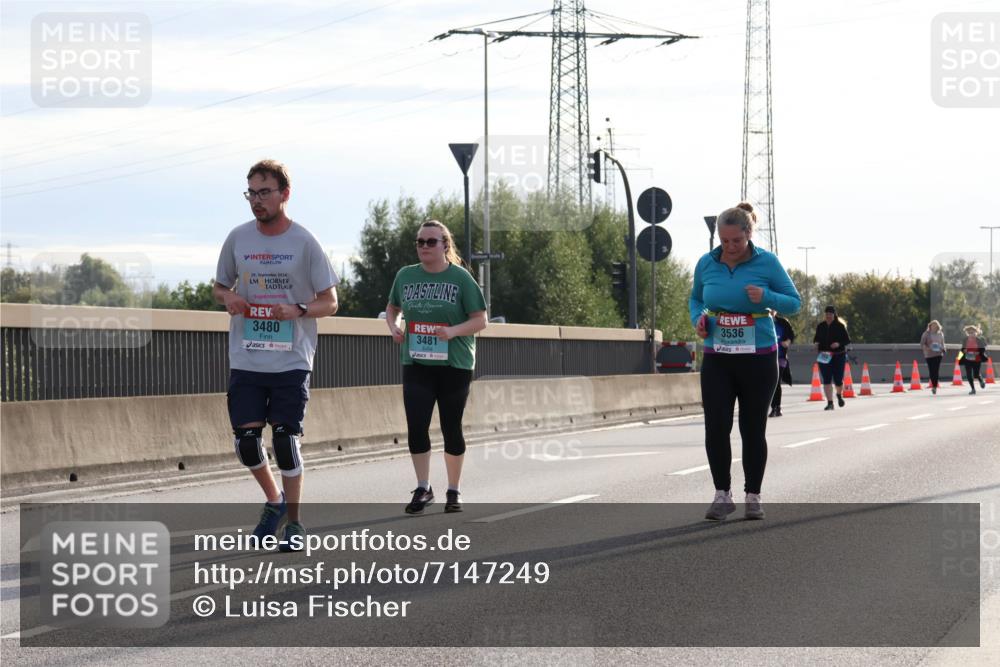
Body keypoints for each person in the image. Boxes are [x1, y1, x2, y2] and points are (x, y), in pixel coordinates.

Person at [214, 159, 338, 551]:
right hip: (247, 356)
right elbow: (219, 287)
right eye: (251, 192)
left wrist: (299, 310)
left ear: (285, 194)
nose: (256, 200)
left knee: (285, 441)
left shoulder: (304, 241)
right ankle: (275, 500)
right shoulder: (238, 238)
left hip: (291, 358)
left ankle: (296, 523)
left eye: (264, 191)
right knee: (247, 443)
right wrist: (230, 296)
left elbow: (330, 302)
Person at [689, 202, 801, 521]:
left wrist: (766, 298)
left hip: (758, 357)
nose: (730, 247)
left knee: (752, 428)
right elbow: (696, 297)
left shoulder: (767, 263)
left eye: (736, 241)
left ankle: (754, 495)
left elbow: (795, 303)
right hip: (718, 357)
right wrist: (698, 318)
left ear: (748, 234)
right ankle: (722, 495)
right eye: (724, 242)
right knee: (716, 427)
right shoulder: (706, 263)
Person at [386, 220, 487, 515]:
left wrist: (453, 332)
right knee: (416, 425)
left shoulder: (461, 278)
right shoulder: (405, 276)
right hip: (416, 360)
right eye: (420, 242)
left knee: (450, 427)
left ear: (445, 245)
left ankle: (453, 490)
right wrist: (394, 326)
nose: (425, 247)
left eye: (431, 242)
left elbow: (480, 320)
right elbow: (393, 307)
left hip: (454, 363)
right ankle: (423, 487)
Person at [813, 305, 851, 411]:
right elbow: (816, 338)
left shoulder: (840, 326)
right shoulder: (821, 326)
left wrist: (838, 344)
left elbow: (847, 340)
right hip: (824, 356)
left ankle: (839, 395)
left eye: (830, 314)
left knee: (838, 380)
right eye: (827, 314)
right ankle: (830, 403)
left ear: (834, 315)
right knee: (827, 379)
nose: (828, 316)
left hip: (838, 355)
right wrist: (816, 343)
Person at [769, 312, 795, 417]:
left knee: (776, 381)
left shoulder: (783, 322)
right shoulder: (759, 321)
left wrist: (788, 342)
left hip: (780, 358)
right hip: (765, 358)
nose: (770, 311)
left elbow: (791, 335)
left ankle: (776, 407)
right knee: (768, 383)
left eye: (772, 308)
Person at [959, 324, 989, 394]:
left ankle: (981, 381)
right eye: (969, 333)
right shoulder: (965, 339)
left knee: (976, 374)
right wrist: (963, 352)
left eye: (972, 332)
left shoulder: (979, 340)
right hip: (967, 359)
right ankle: (973, 389)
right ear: (967, 333)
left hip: (977, 359)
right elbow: (962, 348)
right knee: (969, 375)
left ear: (976, 332)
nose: (971, 334)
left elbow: (983, 349)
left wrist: (978, 352)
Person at [920, 320, 947, 395]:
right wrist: (928, 348)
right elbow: (922, 344)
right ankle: (933, 385)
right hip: (929, 354)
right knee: (931, 371)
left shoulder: (940, 334)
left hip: (938, 354)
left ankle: (934, 387)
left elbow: (942, 343)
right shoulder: (926, 334)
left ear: (938, 326)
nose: (934, 327)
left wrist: (944, 349)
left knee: (936, 370)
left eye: (936, 325)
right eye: (933, 325)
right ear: (930, 326)